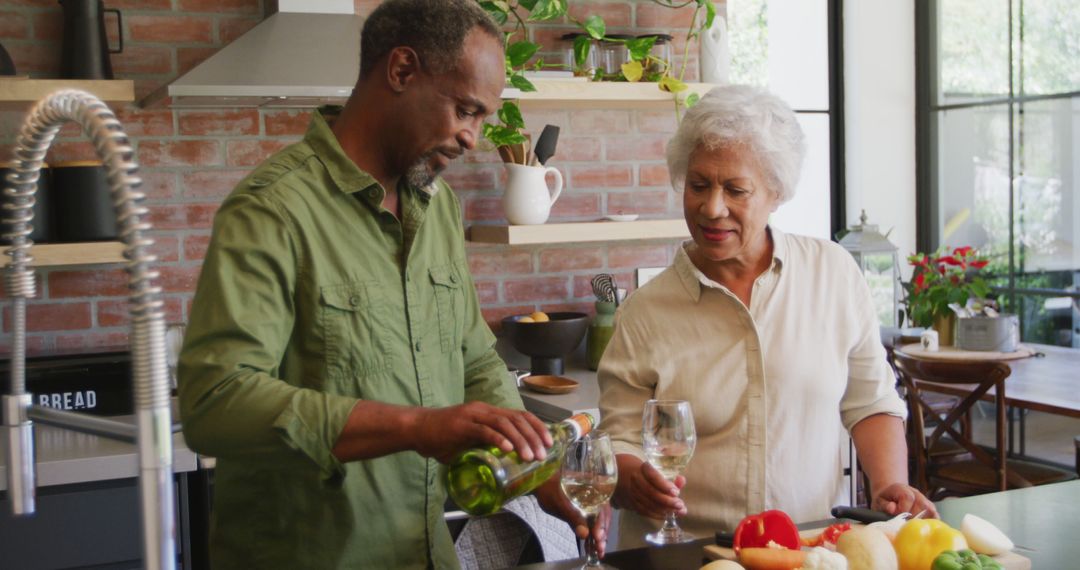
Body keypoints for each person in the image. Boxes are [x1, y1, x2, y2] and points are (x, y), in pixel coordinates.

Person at [177, 1, 593, 567]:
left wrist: (540, 471)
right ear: (401, 71)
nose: (473, 138)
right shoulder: (272, 211)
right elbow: (215, 403)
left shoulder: (438, 206)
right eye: (465, 109)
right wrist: (416, 428)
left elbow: (473, 360)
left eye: (483, 118)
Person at [597, 84, 936, 548]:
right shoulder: (645, 310)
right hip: (690, 553)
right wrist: (633, 480)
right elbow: (619, 440)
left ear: (777, 191)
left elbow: (870, 401)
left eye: (736, 189)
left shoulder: (832, 274)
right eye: (698, 186)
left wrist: (889, 485)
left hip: (810, 549)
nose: (712, 208)